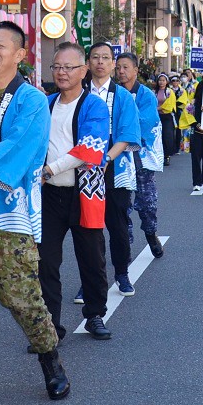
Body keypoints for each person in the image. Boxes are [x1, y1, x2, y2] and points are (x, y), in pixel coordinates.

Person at [0, 22, 69, 405]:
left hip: (10, 215)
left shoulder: (33, 100)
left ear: (20, 54)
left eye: (0, 45)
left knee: (23, 298)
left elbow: (21, 147)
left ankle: (50, 362)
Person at [38, 43, 112, 340]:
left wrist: (50, 169)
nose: (62, 73)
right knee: (46, 261)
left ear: (84, 70)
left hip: (83, 193)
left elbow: (91, 148)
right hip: (49, 195)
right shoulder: (46, 103)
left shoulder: (94, 105)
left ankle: (95, 314)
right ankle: (50, 325)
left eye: (70, 67)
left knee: (91, 257)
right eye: (57, 67)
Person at [82, 43, 140, 298]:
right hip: (82, 167)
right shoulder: (77, 92)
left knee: (117, 225)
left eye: (106, 58)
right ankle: (91, 280)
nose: (100, 62)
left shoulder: (123, 96)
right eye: (95, 57)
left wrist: (106, 157)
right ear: (88, 62)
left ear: (113, 63)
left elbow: (128, 134)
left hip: (113, 167)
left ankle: (122, 273)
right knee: (87, 228)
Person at [117, 52, 165, 259]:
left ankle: (151, 233)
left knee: (147, 204)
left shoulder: (145, 94)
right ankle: (125, 246)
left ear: (136, 70)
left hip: (140, 158)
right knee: (121, 206)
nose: (121, 71)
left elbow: (148, 121)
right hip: (118, 158)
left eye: (126, 67)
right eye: (118, 67)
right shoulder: (113, 93)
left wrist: (124, 125)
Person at [156, 73, 178, 162]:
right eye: (160, 80)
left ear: (166, 82)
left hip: (167, 116)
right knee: (158, 136)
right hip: (156, 116)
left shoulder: (169, 91)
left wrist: (158, 108)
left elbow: (169, 104)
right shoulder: (154, 91)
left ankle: (166, 155)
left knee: (167, 136)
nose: (161, 82)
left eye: (163, 80)